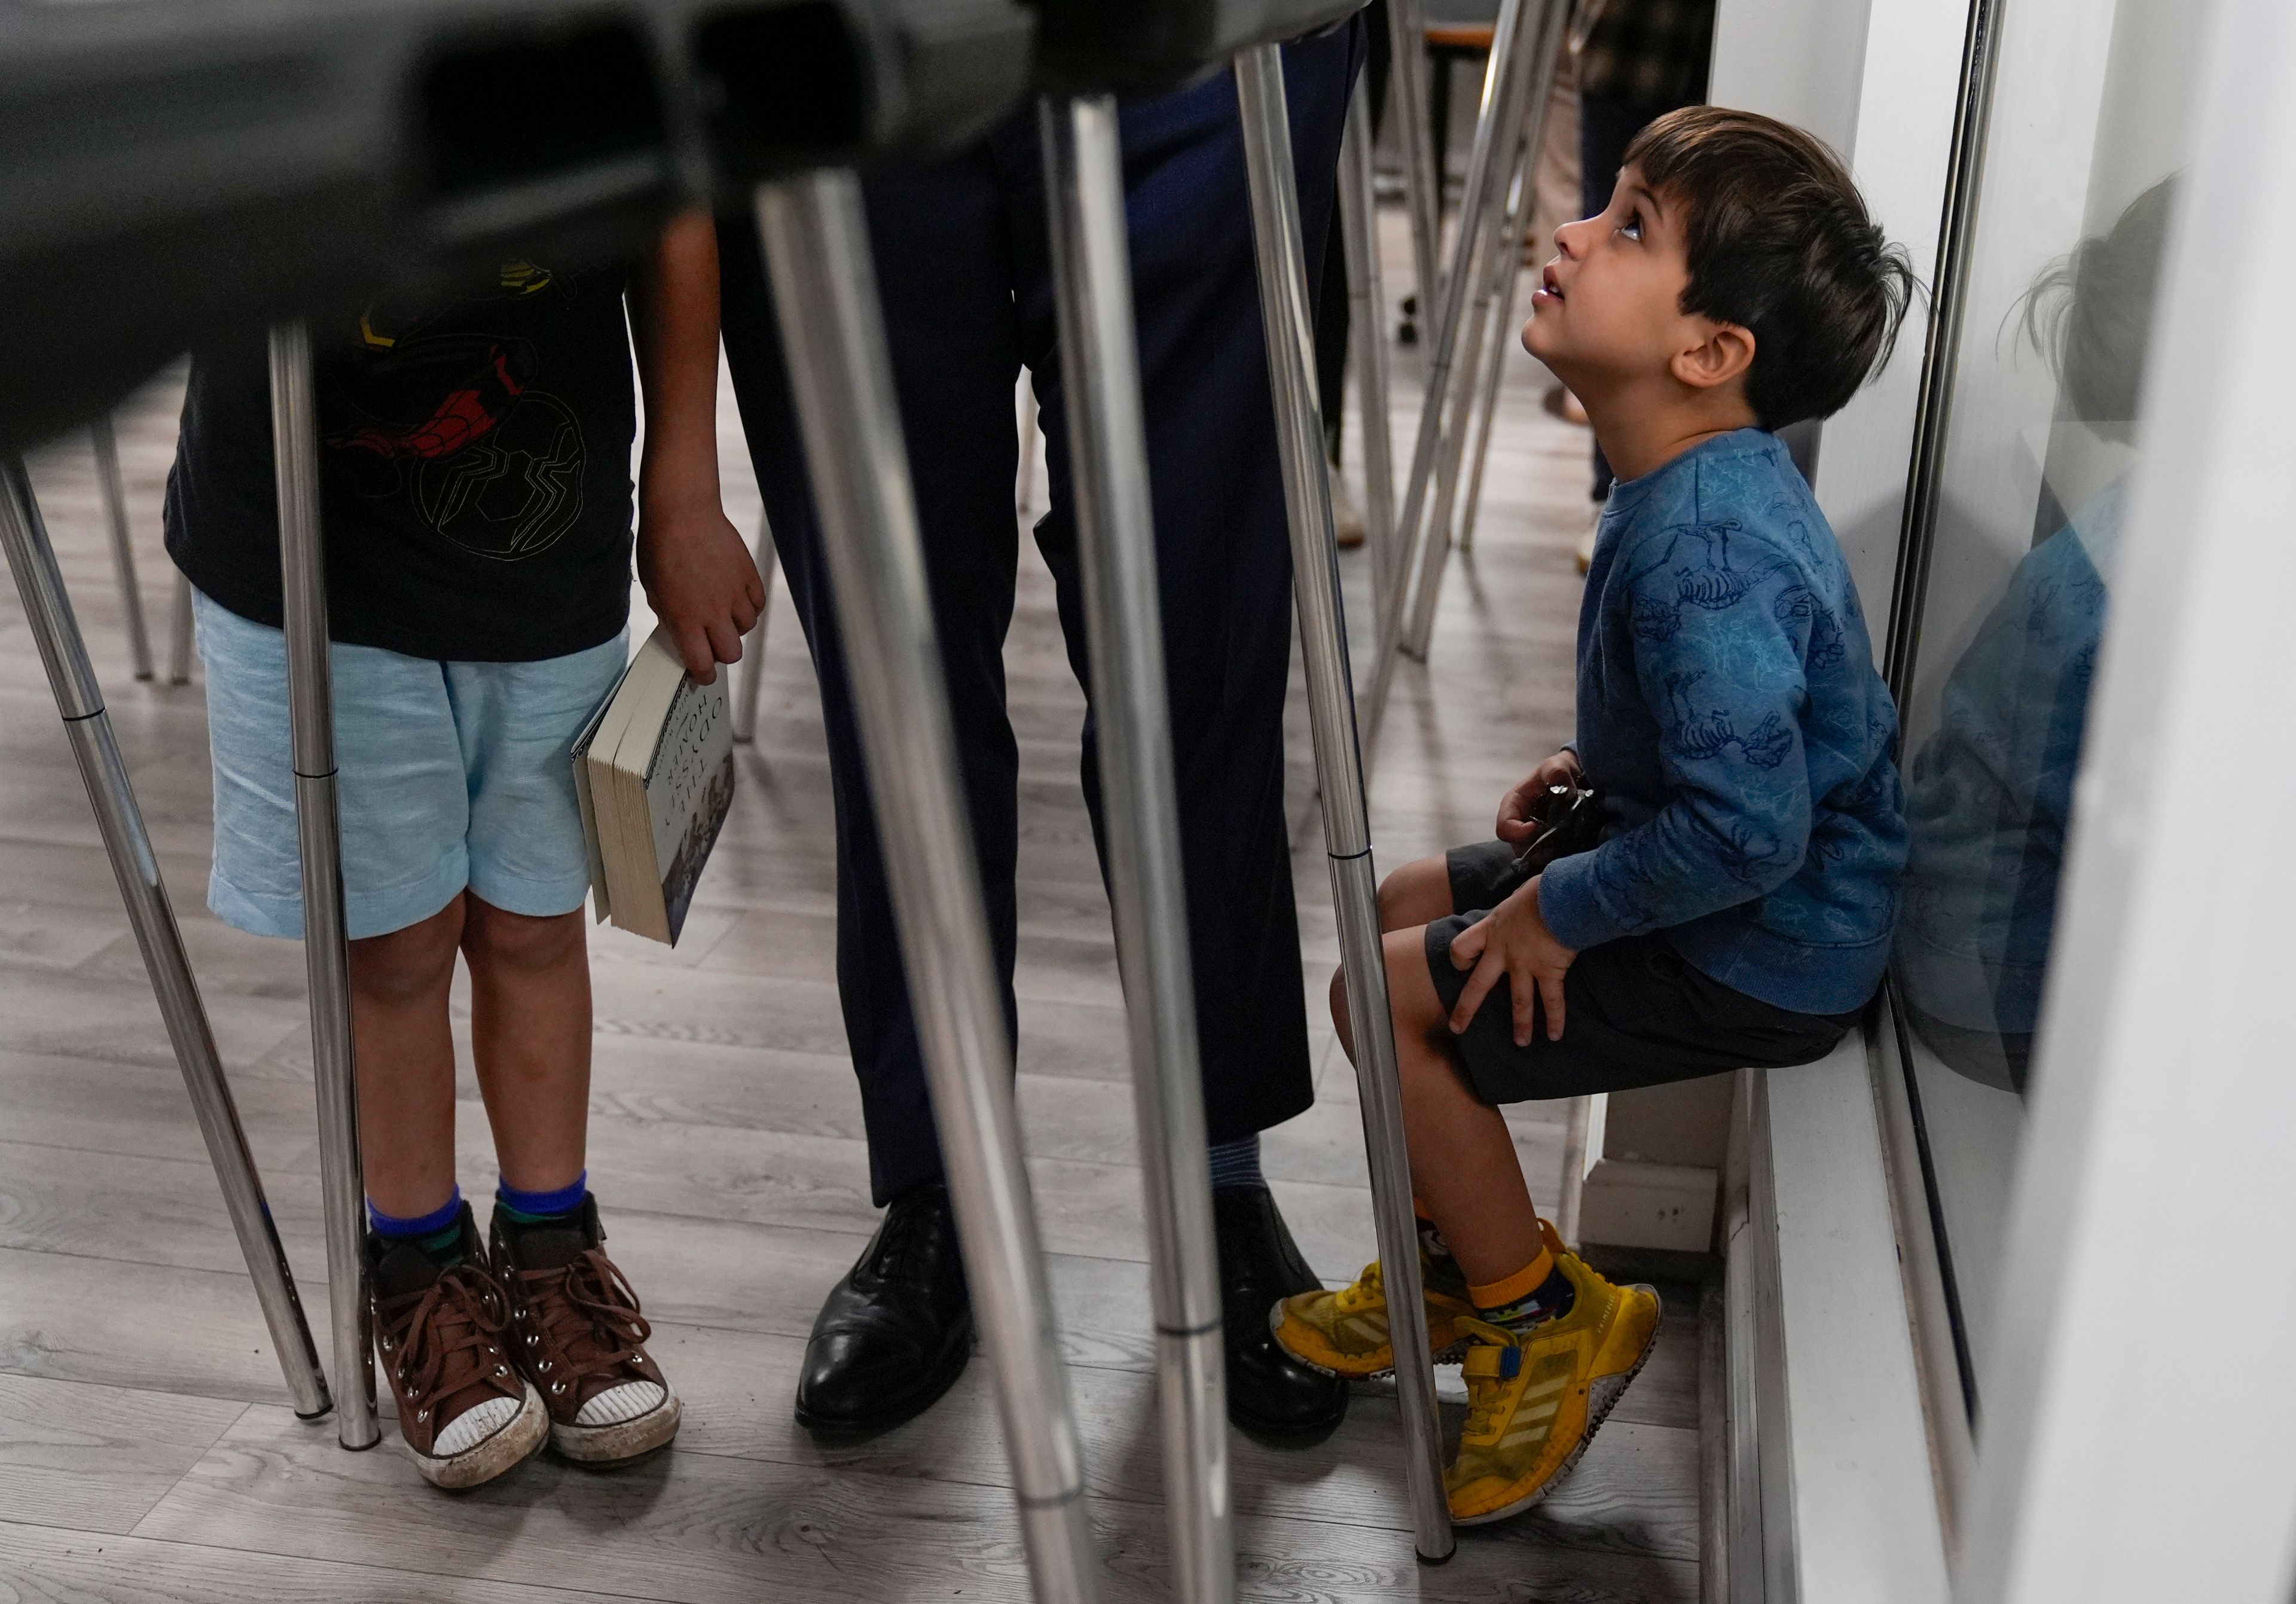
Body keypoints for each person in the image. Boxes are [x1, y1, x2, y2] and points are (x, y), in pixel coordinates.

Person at [716, 23, 1364, 1442]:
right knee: (893, 658)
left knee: (1192, 632)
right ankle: (938, 1184)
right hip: (844, 54)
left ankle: (1219, 1170)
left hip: (1204, 47)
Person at [1270, 106, 1915, 1524]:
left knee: (1378, 999)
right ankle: (1456, 1262)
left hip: (1762, 938)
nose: (1570, 231)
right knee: (1401, 915)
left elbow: (1752, 831)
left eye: (1628, 226)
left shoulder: (1705, 543)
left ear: (1709, 353)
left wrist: (1558, 906)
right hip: (1721, 876)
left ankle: (1537, 1322)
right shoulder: (1684, 479)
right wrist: (1597, 772)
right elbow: (1731, 735)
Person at [164, 216, 762, 1487]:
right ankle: (421, 1266)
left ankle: (550, 1244)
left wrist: (688, 489)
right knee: (394, 941)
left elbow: (675, 203)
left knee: (536, 921)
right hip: (303, 548)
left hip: (544, 537)